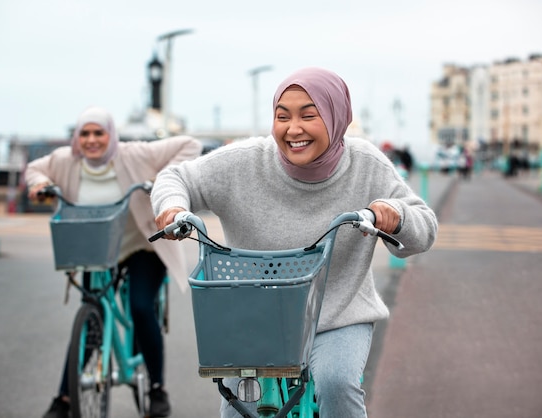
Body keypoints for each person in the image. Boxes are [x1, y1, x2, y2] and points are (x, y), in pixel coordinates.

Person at [151, 67, 438, 417]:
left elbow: (424, 225)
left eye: (308, 114)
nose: (293, 128)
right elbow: (175, 177)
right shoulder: (242, 163)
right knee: (237, 407)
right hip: (256, 315)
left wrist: (396, 215)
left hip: (337, 316)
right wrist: (173, 208)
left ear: (336, 118)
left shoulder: (366, 166)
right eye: (282, 116)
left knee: (336, 382)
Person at [26, 106, 202, 418]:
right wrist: (39, 185)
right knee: (91, 317)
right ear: (77, 138)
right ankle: (64, 398)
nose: (91, 140)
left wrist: (161, 179)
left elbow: (190, 145)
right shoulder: (66, 160)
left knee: (140, 307)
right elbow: (35, 170)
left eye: (99, 133)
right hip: (95, 249)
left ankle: (157, 387)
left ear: (111, 135)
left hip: (141, 247)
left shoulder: (133, 153)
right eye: (85, 133)